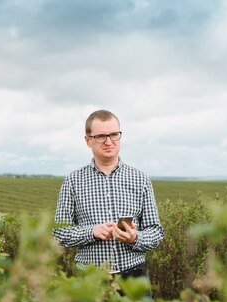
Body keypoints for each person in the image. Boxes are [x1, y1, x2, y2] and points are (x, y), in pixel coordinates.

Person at [53, 110, 164, 280]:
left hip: (134, 276)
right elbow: (60, 233)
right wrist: (92, 232)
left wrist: (135, 237)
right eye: (101, 136)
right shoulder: (72, 182)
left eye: (114, 134)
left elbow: (155, 232)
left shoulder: (140, 179)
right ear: (88, 140)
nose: (108, 141)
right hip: (89, 278)